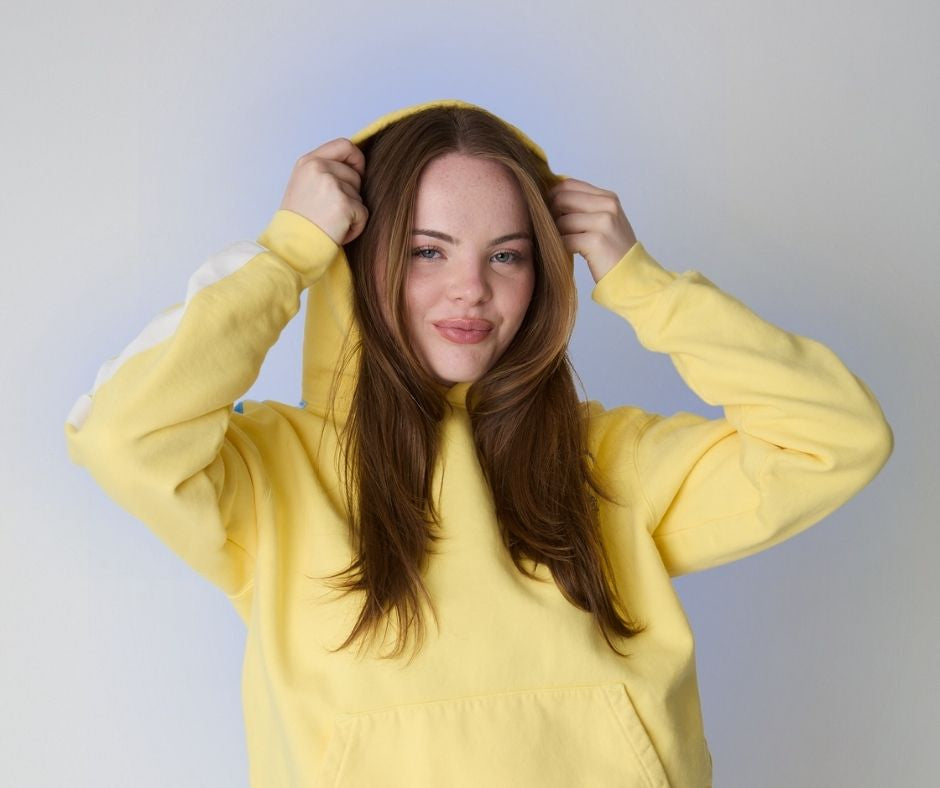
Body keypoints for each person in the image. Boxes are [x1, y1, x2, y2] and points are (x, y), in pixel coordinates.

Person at [64, 98, 894, 787]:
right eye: (428, 251)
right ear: (362, 261)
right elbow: (120, 432)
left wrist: (641, 283)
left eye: (508, 255)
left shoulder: (606, 459)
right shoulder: (273, 473)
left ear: (546, 276)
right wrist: (287, 252)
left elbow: (838, 438)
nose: (471, 288)